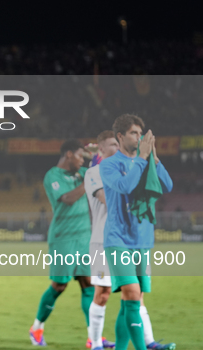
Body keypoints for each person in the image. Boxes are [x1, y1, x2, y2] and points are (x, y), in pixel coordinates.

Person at [100, 114, 174, 350]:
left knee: (130, 302)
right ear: (120, 136)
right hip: (118, 238)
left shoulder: (145, 161)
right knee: (132, 295)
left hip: (142, 239)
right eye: (134, 133)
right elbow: (125, 186)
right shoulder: (109, 164)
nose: (139, 137)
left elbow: (167, 186)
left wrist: (154, 158)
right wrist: (142, 158)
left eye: (141, 134)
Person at [29, 140, 94, 346]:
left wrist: (97, 153)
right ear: (68, 154)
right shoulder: (53, 176)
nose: (82, 160)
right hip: (63, 239)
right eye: (79, 156)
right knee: (59, 286)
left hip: (85, 237)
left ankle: (94, 337)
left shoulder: (84, 172)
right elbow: (66, 198)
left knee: (88, 284)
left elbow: (103, 169)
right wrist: (87, 182)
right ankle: (37, 327)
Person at [84, 131, 119, 350]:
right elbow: (108, 199)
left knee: (134, 293)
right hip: (102, 241)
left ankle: (145, 341)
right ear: (101, 149)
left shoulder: (125, 170)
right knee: (103, 293)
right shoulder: (93, 173)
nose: (118, 147)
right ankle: (95, 343)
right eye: (113, 144)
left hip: (127, 241)